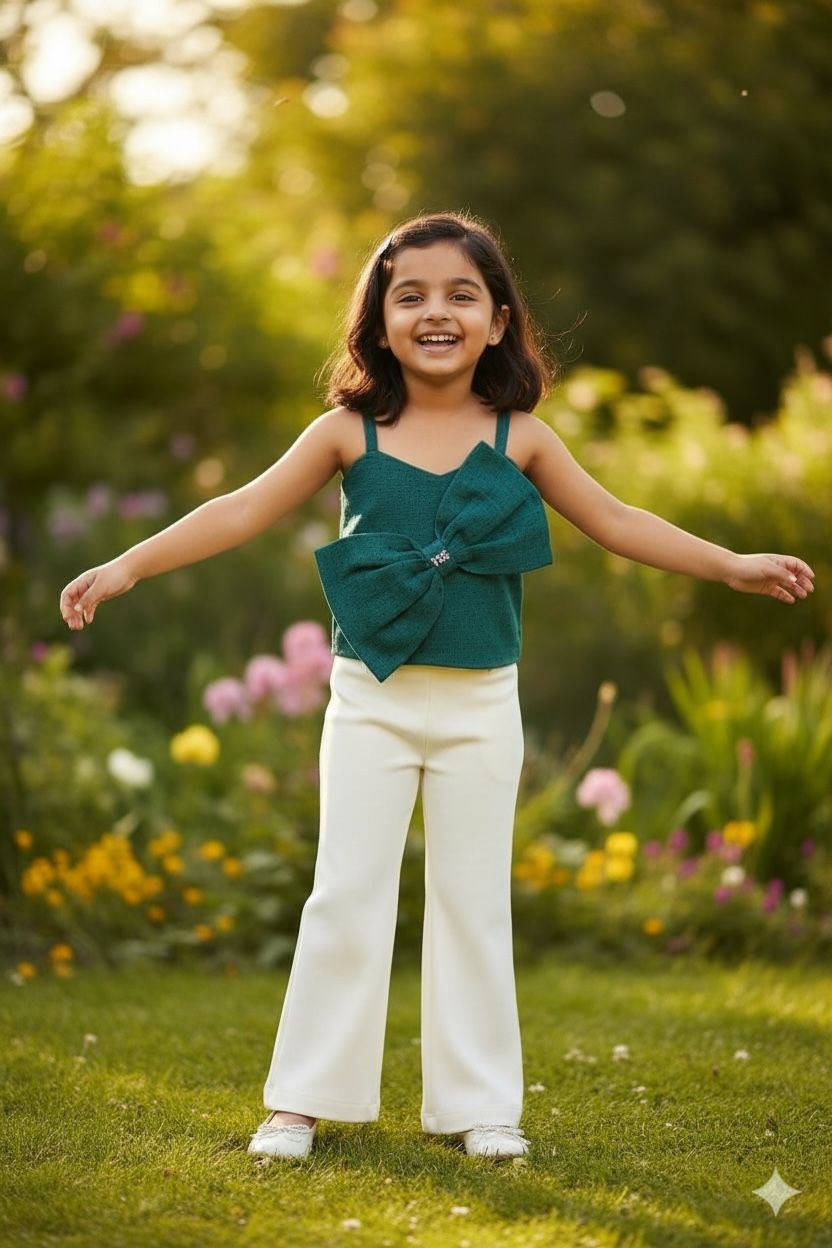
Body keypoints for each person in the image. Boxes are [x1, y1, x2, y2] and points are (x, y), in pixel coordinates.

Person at [59, 210, 815, 1162]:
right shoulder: (347, 432)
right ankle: (300, 1099)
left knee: (472, 898)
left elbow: (618, 520)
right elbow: (243, 506)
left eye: (461, 294)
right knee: (347, 892)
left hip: (479, 707)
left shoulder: (523, 437)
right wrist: (126, 567)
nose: (435, 312)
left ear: (499, 320)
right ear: (378, 320)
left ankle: (481, 1106)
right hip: (369, 702)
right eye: (409, 295)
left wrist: (731, 563)